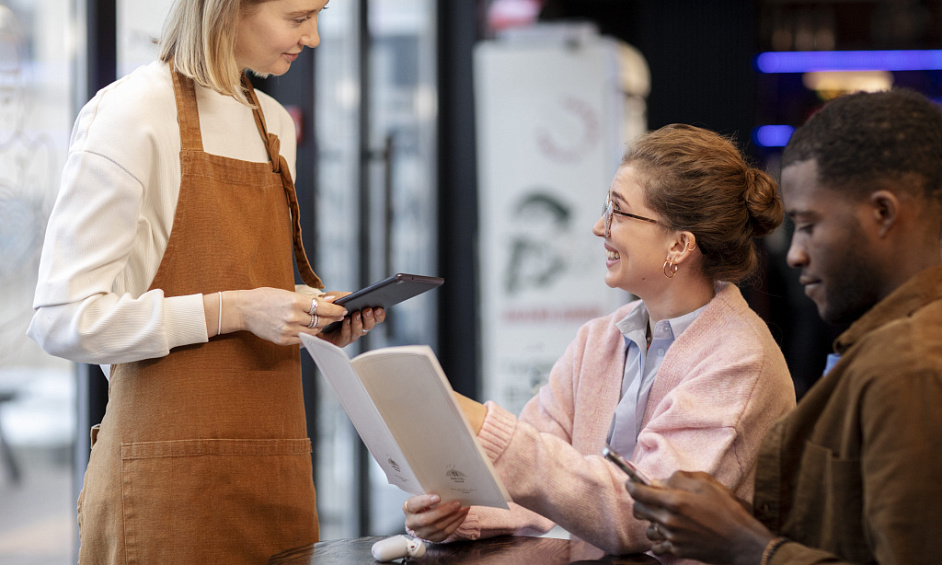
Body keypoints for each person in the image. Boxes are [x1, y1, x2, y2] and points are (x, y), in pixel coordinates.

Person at [26, 1, 384, 563]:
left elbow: (247, 286)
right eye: (297, 17)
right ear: (228, 10)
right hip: (165, 487)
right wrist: (233, 310)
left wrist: (309, 317)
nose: (313, 38)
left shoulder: (273, 124)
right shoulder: (131, 114)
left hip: (275, 471)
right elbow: (61, 319)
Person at [404, 124, 796, 558]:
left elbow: (641, 517)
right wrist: (460, 513)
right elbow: (542, 485)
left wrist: (486, 428)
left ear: (680, 245)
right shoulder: (599, 338)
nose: (597, 227)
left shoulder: (739, 360)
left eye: (618, 211)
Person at [627, 89, 942, 565]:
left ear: (883, 213)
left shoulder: (910, 364)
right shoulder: (888, 348)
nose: (794, 254)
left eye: (810, 225)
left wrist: (748, 545)